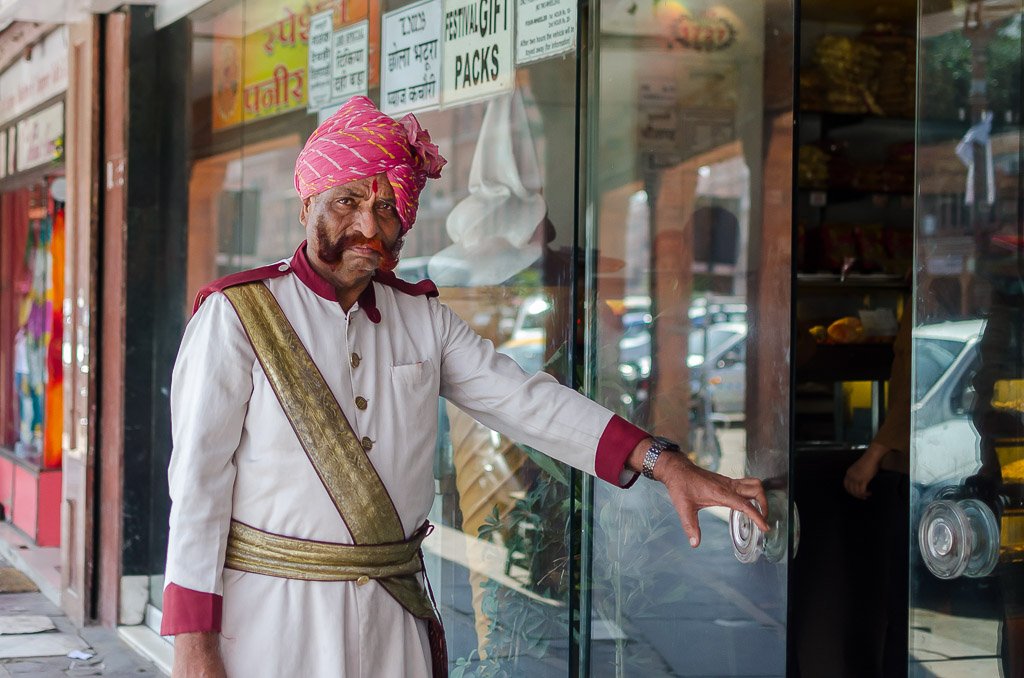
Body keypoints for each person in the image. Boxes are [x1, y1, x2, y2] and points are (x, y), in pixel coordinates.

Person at [160, 96, 769, 678]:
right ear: (307, 205)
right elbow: (197, 490)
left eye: (387, 208)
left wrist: (664, 462)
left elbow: (526, 403)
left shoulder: (421, 318)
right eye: (347, 201)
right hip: (272, 621)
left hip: (392, 620)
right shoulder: (236, 315)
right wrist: (193, 647)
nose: (367, 226)